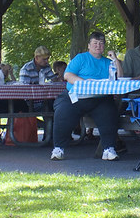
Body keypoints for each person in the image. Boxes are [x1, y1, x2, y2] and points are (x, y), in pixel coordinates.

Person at [51, 31, 123, 162]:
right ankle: (58, 148)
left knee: (110, 112)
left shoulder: (108, 63)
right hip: (75, 96)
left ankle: (109, 149)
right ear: (89, 45)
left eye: (101, 43)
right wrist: (85, 84)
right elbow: (68, 75)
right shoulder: (81, 58)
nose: (98, 46)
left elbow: (120, 77)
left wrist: (116, 60)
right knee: (62, 112)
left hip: (100, 98)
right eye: (95, 43)